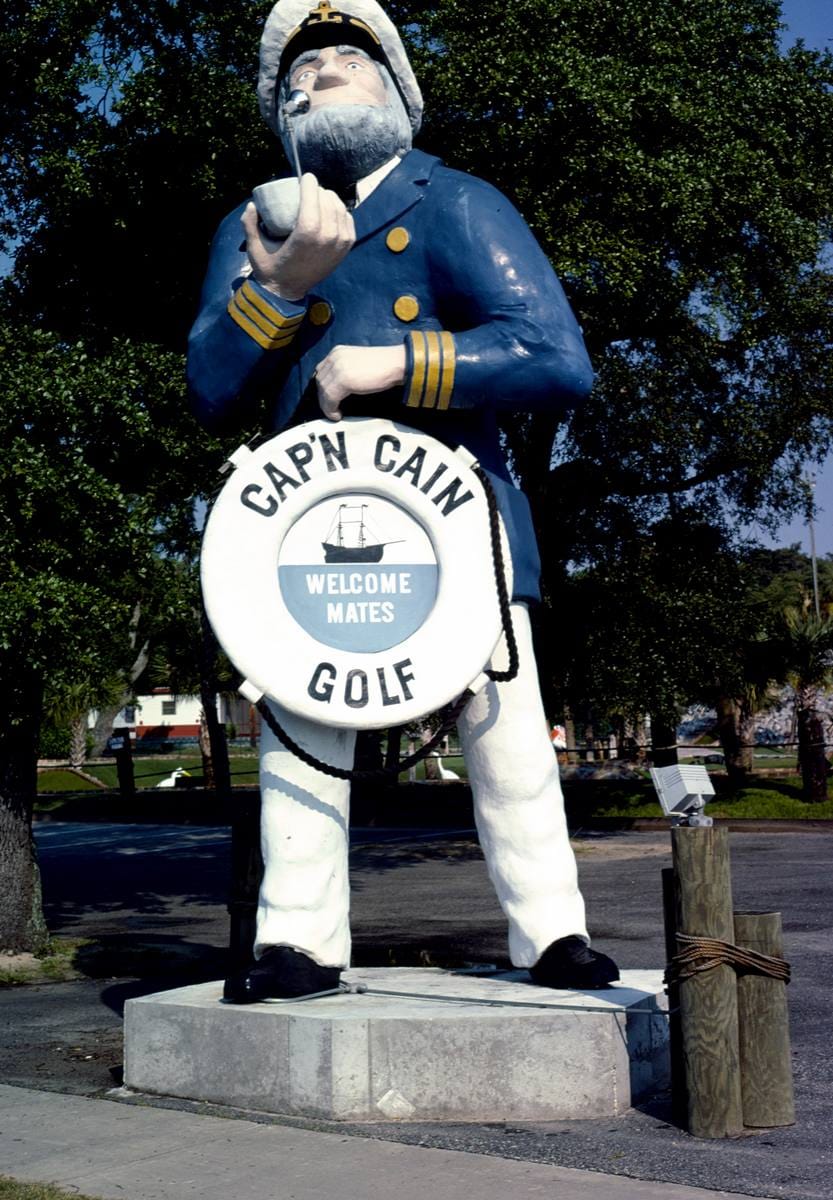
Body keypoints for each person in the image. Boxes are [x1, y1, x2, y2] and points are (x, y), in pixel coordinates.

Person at [188, 0, 619, 1001]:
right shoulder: (253, 225)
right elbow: (210, 387)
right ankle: (295, 940)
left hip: (452, 517)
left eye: (347, 57)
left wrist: (393, 366)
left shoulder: (454, 201)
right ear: (278, 107)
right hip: (307, 523)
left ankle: (552, 932)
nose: (323, 73)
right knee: (301, 724)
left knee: (501, 724)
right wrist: (284, 287)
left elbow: (555, 356)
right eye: (302, 69)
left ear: (395, 86)